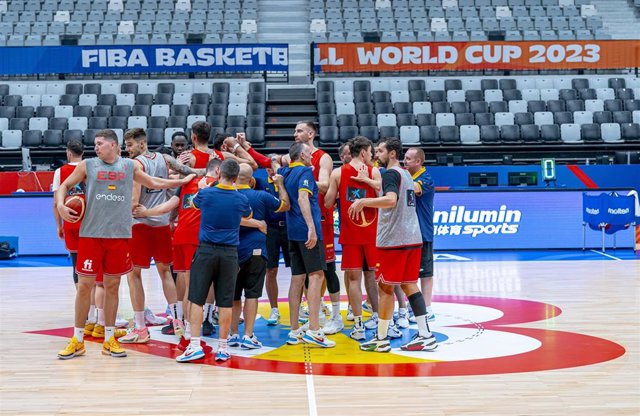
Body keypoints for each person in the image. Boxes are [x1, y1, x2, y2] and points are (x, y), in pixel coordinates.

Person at [55, 129, 194, 360]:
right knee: (84, 287)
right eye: (95, 144)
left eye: (100, 144)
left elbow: (154, 182)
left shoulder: (129, 166)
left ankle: (109, 338)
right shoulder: (87, 165)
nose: (96, 147)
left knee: (112, 286)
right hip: (91, 235)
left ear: (113, 145)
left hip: (119, 236)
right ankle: (77, 339)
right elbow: (63, 187)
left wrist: (183, 179)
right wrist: (60, 205)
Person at [348, 137, 437, 353]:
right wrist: (369, 182)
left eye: (380, 151)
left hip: (394, 241)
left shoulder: (390, 173)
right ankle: (425, 335)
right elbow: (389, 188)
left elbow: (390, 199)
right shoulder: (405, 174)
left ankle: (381, 339)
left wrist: (363, 201)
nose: (377, 155)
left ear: (392, 154)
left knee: (385, 288)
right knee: (409, 285)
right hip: (412, 238)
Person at [120, 128, 196, 343]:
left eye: (131, 145)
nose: (128, 150)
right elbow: (186, 170)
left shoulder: (135, 165)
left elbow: (134, 202)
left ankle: (140, 328)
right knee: (165, 272)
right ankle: (177, 321)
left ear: (142, 144)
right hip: (161, 224)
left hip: (140, 225)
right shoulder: (164, 158)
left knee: (134, 275)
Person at [176, 159, 252, 363]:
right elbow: (248, 214)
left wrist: (203, 187)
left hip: (206, 251)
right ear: (236, 178)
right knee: (225, 301)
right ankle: (223, 348)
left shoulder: (206, 193)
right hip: (229, 254)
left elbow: (194, 204)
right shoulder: (241, 198)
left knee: (197, 298)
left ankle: (194, 345)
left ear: (219, 174)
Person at [278, 142, 335, 348]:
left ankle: (294, 330)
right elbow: (303, 198)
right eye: (309, 154)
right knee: (317, 275)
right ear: (302, 155)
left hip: (292, 231)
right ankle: (314, 329)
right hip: (306, 231)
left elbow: (277, 164)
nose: (312, 158)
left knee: (297, 278)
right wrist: (311, 227)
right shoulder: (305, 172)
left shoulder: (284, 172)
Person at [325, 136, 382, 339]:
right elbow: (386, 197)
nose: (372, 155)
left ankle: (357, 326)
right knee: (375, 279)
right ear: (364, 152)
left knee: (354, 280)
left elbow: (328, 203)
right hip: (372, 234)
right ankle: (380, 320)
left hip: (350, 235)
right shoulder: (374, 172)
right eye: (371, 152)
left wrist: (342, 193)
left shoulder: (338, 173)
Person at [228, 163, 290, 349]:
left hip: (232, 250)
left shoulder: (226, 195)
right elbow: (285, 206)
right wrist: (280, 186)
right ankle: (248, 335)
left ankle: (232, 334)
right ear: (251, 179)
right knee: (252, 294)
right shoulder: (262, 196)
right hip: (256, 250)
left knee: (233, 295)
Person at [292, 121, 341, 331]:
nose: (295, 134)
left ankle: (336, 315)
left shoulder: (323, 157)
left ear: (311, 134)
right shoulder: (293, 157)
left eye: (299, 130)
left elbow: (325, 186)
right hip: (299, 221)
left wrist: (303, 181)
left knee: (326, 268)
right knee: (303, 272)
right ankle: (317, 312)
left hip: (320, 220)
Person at [253, 156, 291, 325]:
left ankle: (303, 305)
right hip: (270, 229)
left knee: (299, 270)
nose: (270, 169)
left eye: (273, 166)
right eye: (267, 166)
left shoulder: (287, 180)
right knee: (271, 270)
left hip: (289, 227)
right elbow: (246, 172)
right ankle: (274, 309)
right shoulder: (260, 182)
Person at [403, 147, 436, 322]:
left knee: (425, 272)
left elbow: (414, 188)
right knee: (409, 272)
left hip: (423, 233)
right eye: (404, 158)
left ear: (419, 162)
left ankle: (428, 307)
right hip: (407, 232)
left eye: (408, 159)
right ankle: (413, 305)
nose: (405, 161)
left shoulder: (426, 179)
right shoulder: (407, 174)